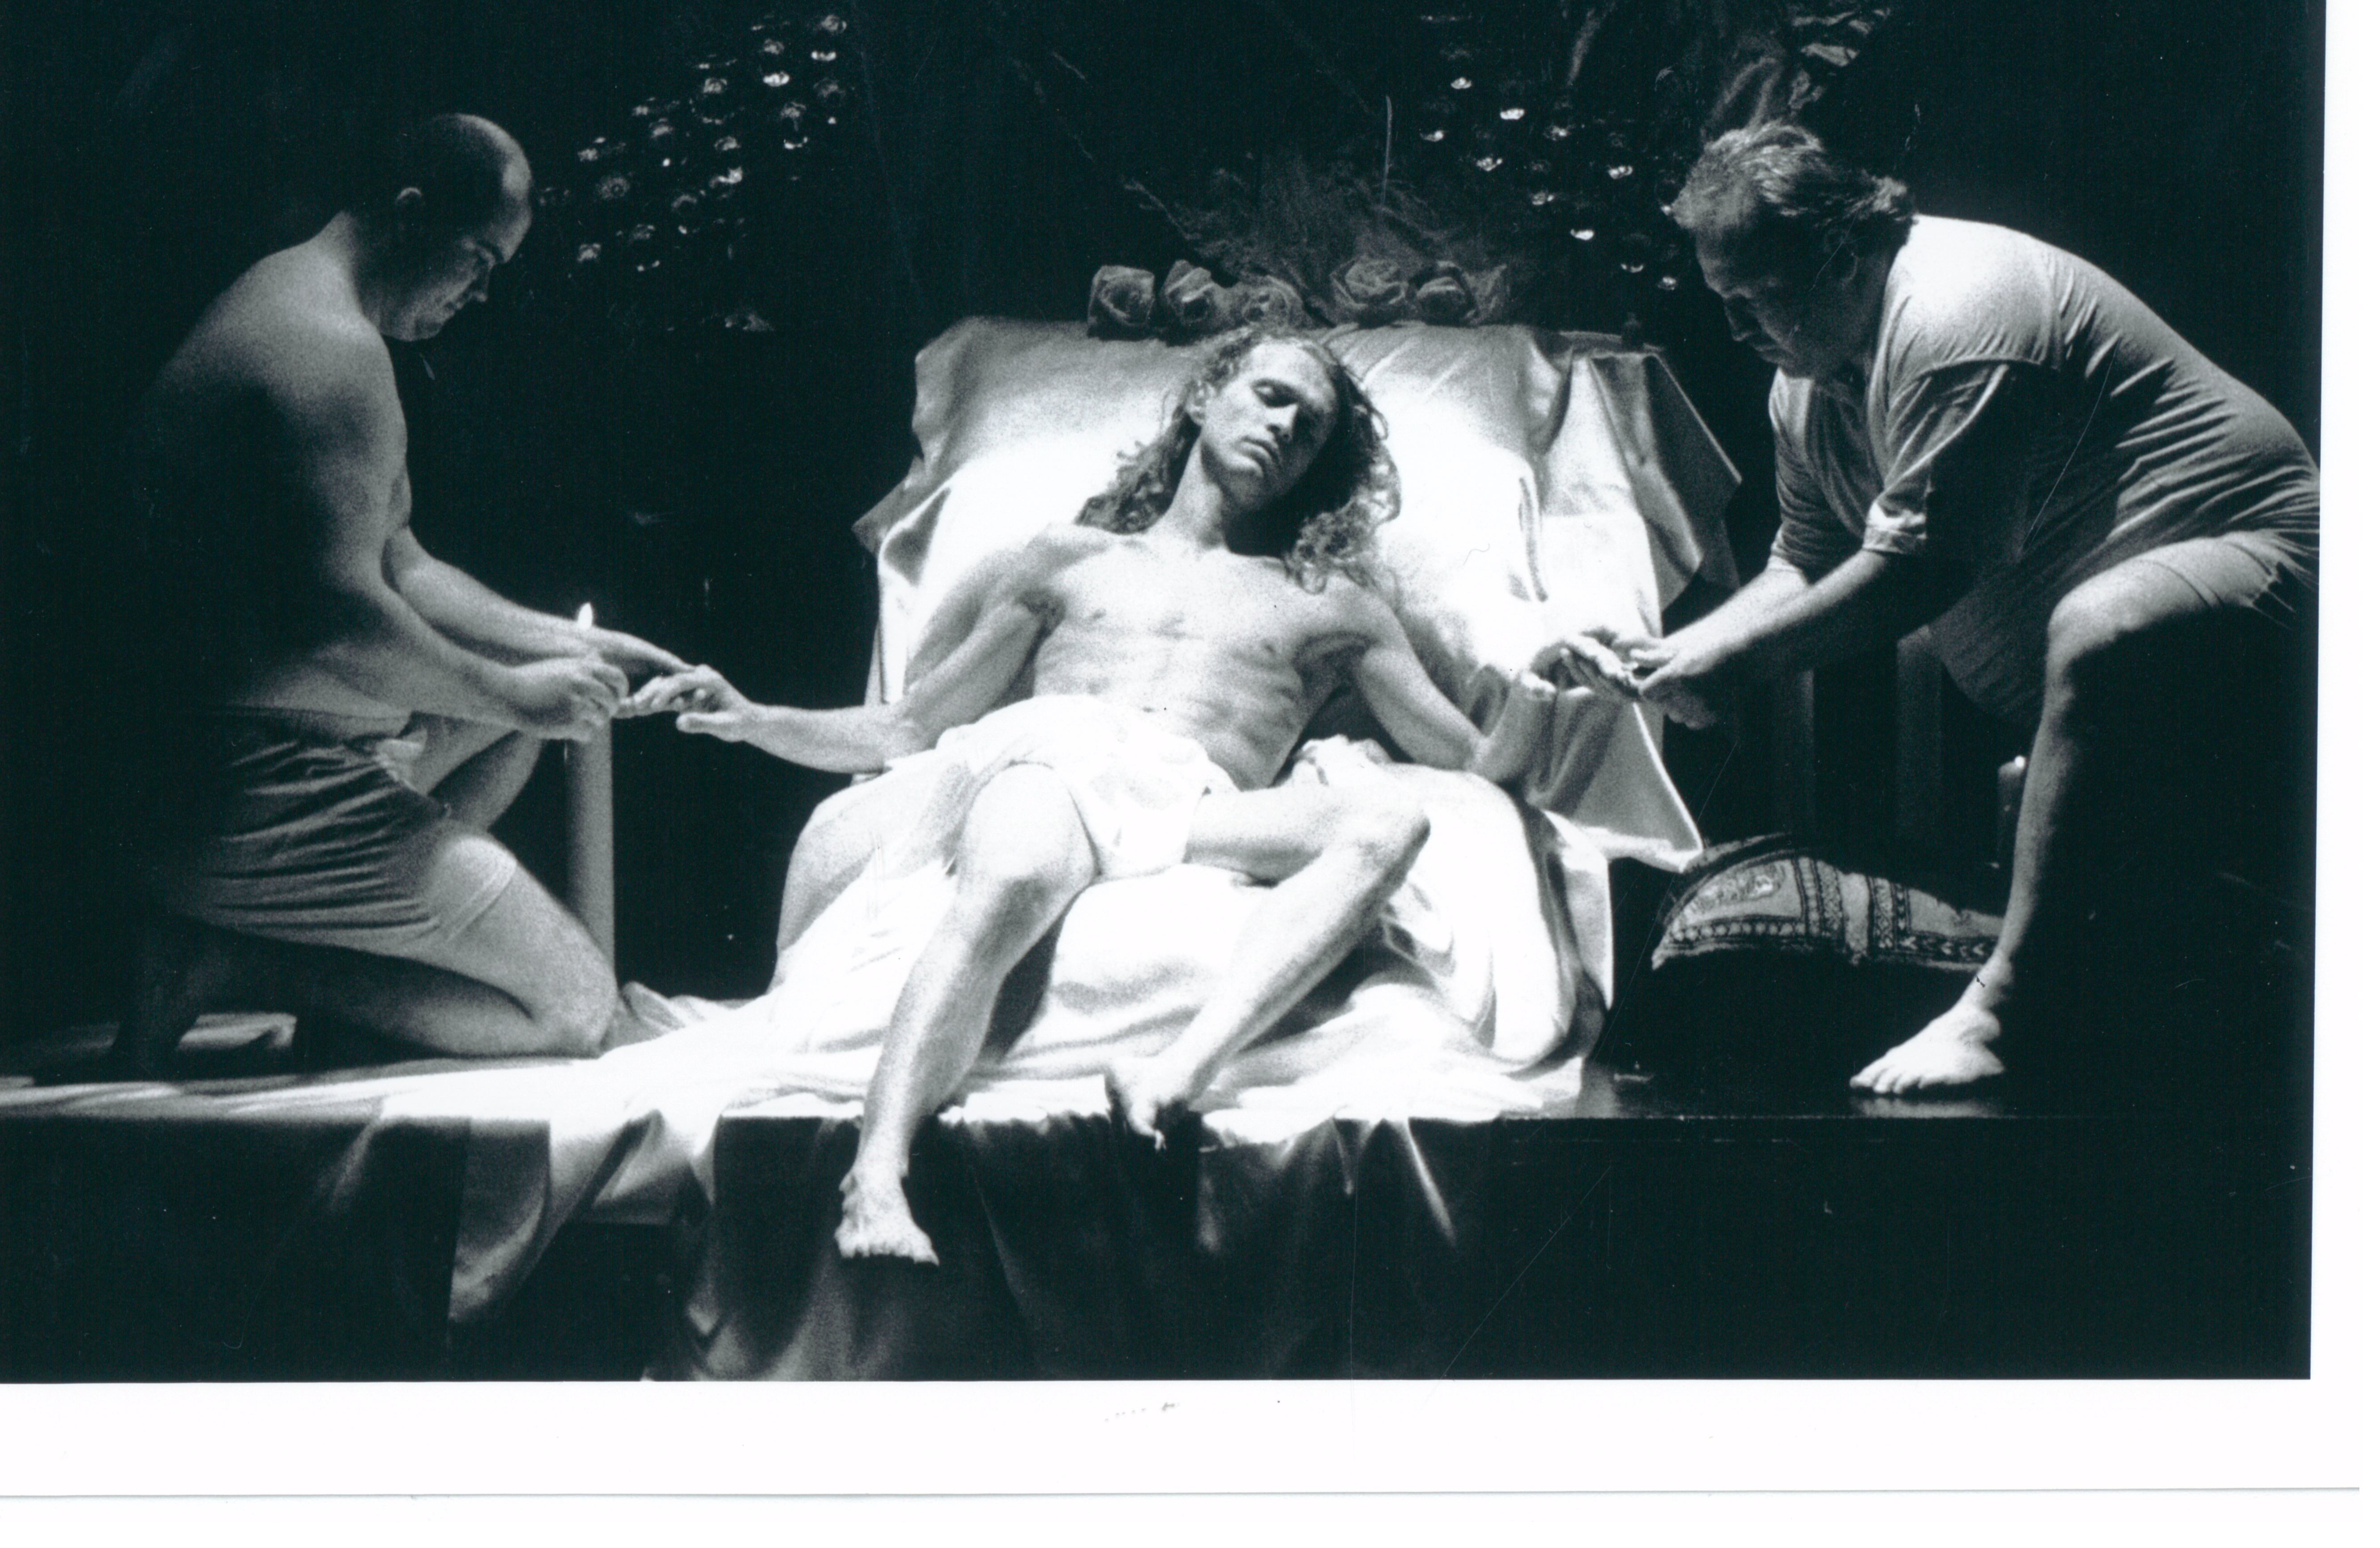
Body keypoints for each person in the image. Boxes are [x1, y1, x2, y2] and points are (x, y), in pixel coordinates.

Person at [630, 325, 1636, 1261]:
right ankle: (878, 1169)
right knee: (1017, 869)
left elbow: (1475, 769)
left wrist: (1541, 685)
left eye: (1310, 428)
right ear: (1205, 395)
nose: (1284, 429)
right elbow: (907, 726)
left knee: (1390, 820)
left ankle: (1177, 1072)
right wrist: (753, 717)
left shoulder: (1333, 605)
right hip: (1060, 763)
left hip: (1191, 801)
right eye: (1272, 397)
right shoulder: (1066, 561)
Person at [1627, 122, 2318, 1096]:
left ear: (1842, 254)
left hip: (2284, 606)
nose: (1737, 329)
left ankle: (2002, 1010)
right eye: (1722, 300)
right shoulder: (1807, 385)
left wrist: (1735, 665)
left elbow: (1925, 571)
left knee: (2103, 625)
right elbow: (1808, 561)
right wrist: (1665, 654)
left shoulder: (1958, 307)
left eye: (1756, 296)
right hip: (2127, 706)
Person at [117, 113, 686, 1071]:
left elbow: (404, 567)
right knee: (579, 1009)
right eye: (479, 259)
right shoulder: (324, 349)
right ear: (412, 212)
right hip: (252, 791)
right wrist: (516, 693)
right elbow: (339, 622)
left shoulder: (301, 305)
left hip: (298, 761)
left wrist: (575, 646)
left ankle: (364, 967)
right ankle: (228, 959)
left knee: (542, 694)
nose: (482, 292)